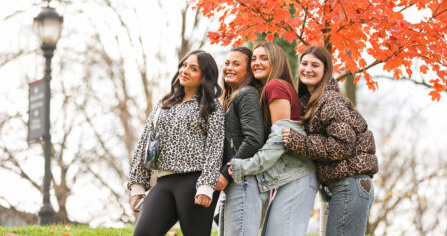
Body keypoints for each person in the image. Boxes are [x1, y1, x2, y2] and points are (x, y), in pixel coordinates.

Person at [282, 45, 378, 236]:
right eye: (304, 63)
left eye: (315, 65)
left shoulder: (330, 100)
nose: (308, 69)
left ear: (326, 71)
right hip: (337, 186)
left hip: (350, 183)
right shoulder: (310, 102)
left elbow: (341, 144)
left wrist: (298, 142)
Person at [128, 50, 225, 236]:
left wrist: (206, 186)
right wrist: (137, 185)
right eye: (184, 65)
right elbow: (146, 143)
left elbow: (215, 147)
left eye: (193, 68)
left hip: (194, 181)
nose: (185, 70)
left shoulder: (211, 106)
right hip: (164, 181)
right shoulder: (165, 103)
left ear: (205, 76)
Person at [229, 41, 319, 236]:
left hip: (298, 177)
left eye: (264, 58)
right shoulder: (269, 90)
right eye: (254, 59)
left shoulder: (275, 86)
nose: (257, 63)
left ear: (276, 62)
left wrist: (247, 166)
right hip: (289, 178)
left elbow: (281, 138)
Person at [216, 47, 265, 236]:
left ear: (249, 71)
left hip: (243, 181)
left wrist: (226, 173)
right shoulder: (231, 98)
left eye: (236, 64)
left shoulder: (247, 95)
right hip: (235, 181)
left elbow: (253, 139)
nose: (229, 67)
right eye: (227, 63)